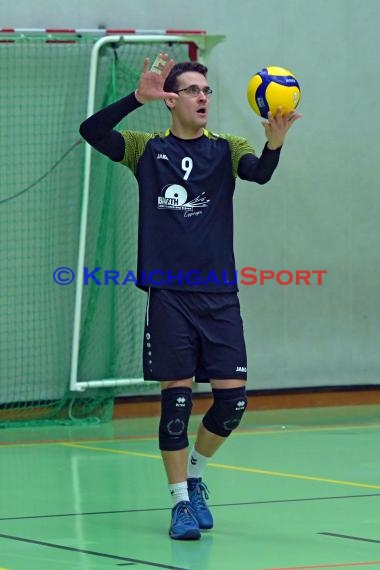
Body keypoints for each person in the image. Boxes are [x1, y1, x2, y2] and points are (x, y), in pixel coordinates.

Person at [79, 53, 300, 541]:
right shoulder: (145, 149)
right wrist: (136, 99)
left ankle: (196, 474)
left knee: (231, 405)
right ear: (171, 99)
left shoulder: (227, 147)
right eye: (194, 90)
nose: (204, 97)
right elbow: (92, 131)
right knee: (176, 403)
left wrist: (274, 146)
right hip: (170, 296)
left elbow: (258, 173)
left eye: (207, 91)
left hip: (219, 296)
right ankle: (179, 502)